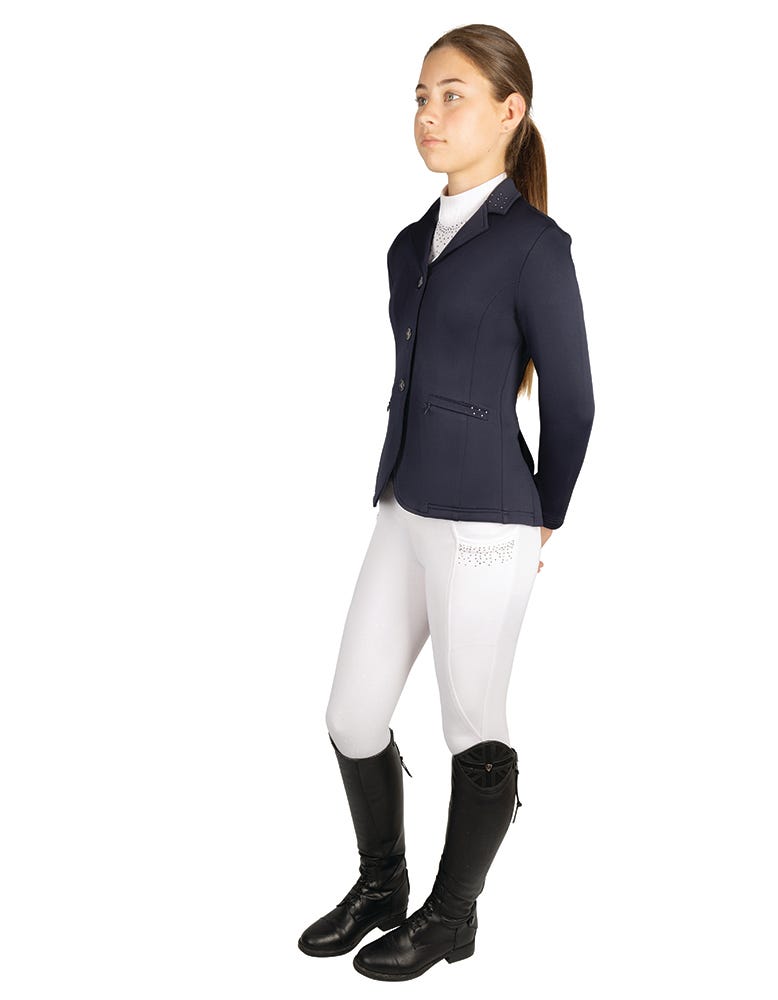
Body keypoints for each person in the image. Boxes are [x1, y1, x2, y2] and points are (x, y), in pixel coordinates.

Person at [298, 23, 594, 981]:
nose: (429, 114)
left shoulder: (536, 247)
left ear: (511, 111)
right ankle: (381, 886)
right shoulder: (405, 247)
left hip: (486, 521)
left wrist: (543, 514)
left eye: (452, 95)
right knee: (352, 712)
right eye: (421, 97)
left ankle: (450, 916)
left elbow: (573, 401)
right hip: (405, 505)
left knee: (473, 723)